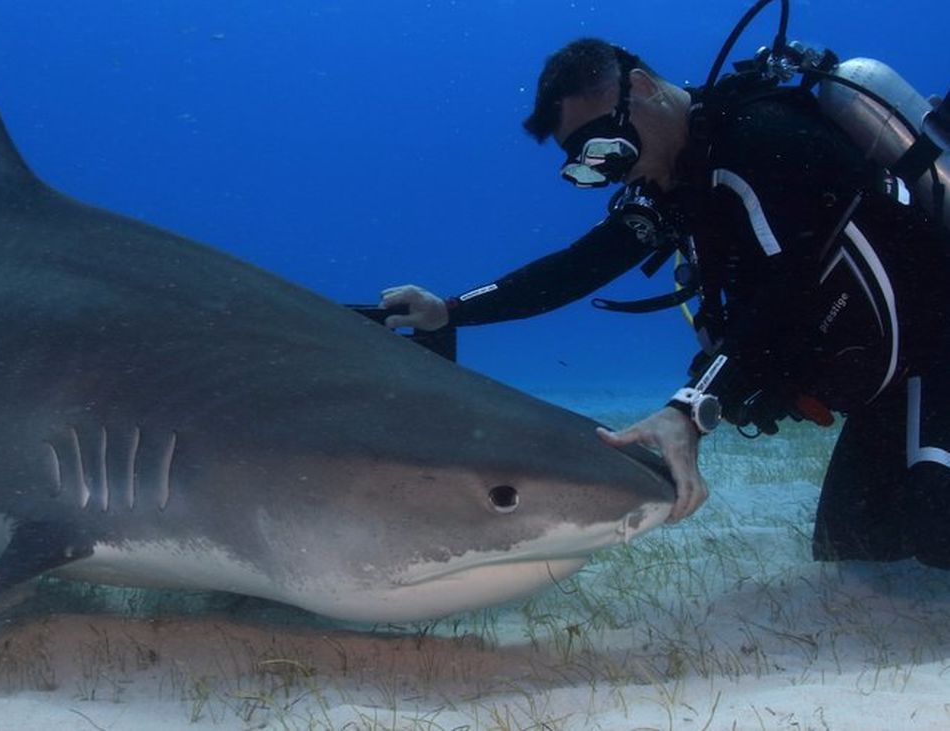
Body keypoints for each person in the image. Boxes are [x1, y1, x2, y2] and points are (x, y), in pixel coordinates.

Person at [381, 37, 950, 567]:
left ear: (645, 89)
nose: (611, 174)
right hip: (892, 384)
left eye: (607, 147)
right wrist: (453, 310)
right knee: (853, 544)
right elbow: (578, 267)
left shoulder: (763, 142)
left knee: (933, 523)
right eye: (587, 164)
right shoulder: (680, 189)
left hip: (939, 347)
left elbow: (788, 292)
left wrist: (690, 409)